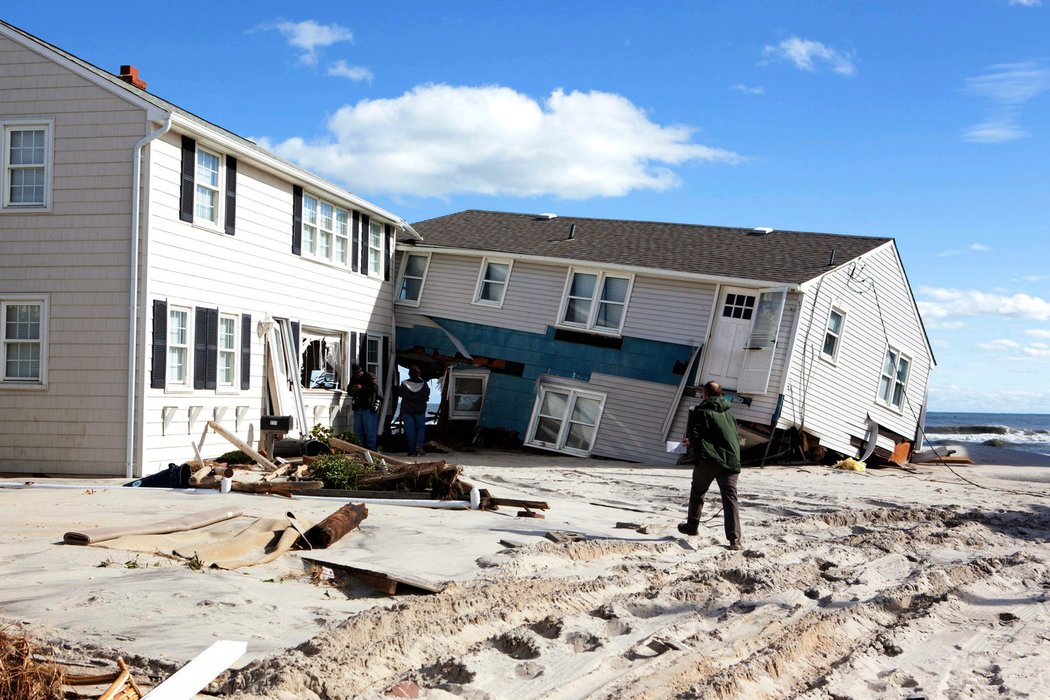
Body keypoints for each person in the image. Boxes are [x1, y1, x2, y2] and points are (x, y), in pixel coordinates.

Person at [679, 380, 743, 550]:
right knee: (730, 499)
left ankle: (692, 527)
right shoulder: (729, 412)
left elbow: (694, 435)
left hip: (710, 460)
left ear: (705, 394)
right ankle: (734, 539)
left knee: (698, 491)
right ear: (721, 394)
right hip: (731, 460)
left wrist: (690, 444)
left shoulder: (700, 411)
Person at [347, 363, 381, 451]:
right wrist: (353, 389)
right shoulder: (354, 378)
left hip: (368, 406)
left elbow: (375, 389)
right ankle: (360, 448)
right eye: (355, 374)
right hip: (358, 407)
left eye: (358, 373)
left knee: (370, 430)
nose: (357, 375)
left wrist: (362, 388)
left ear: (361, 371)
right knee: (358, 430)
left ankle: (371, 449)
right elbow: (349, 389)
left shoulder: (370, 376)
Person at [398, 365, 431, 456]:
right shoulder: (424, 384)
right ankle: (419, 445)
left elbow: (400, 394)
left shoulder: (404, 383)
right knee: (420, 428)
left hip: (407, 409)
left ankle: (411, 449)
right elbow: (427, 394)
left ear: (409, 374)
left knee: (409, 430)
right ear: (419, 374)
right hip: (420, 409)